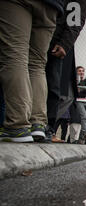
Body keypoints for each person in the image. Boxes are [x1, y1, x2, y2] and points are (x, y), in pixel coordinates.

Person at [0, 0, 63, 142]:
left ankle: (17, 125)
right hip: (52, 6)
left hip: (18, 3)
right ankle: (37, 124)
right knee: (37, 64)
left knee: (15, 56)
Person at [45, 0, 86, 143]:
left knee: (58, 89)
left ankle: (46, 126)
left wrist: (65, 42)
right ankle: (43, 126)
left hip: (59, 41)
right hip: (50, 36)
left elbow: (76, 14)